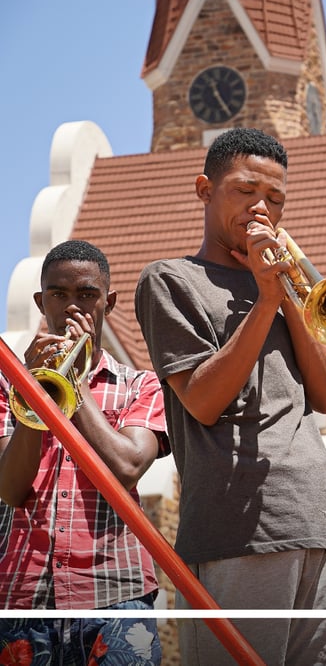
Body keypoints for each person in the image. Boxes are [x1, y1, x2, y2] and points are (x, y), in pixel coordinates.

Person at [135, 127, 326, 666]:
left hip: (319, 523)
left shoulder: (287, 285)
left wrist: (285, 297)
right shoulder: (170, 280)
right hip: (236, 531)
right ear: (204, 189)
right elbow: (203, 401)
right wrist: (265, 301)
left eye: (276, 199)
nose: (262, 208)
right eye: (245, 191)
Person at [0, 239, 167, 666]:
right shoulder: (7, 386)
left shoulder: (140, 385)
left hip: (115, 591)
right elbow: (11, 488)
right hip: (24, 595)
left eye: (87, 295)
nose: (72, 307)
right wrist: (34, 393)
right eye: (59, 294)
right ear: (41, 301)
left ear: (107, 303)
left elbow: (128, 467)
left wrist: (74, 386)